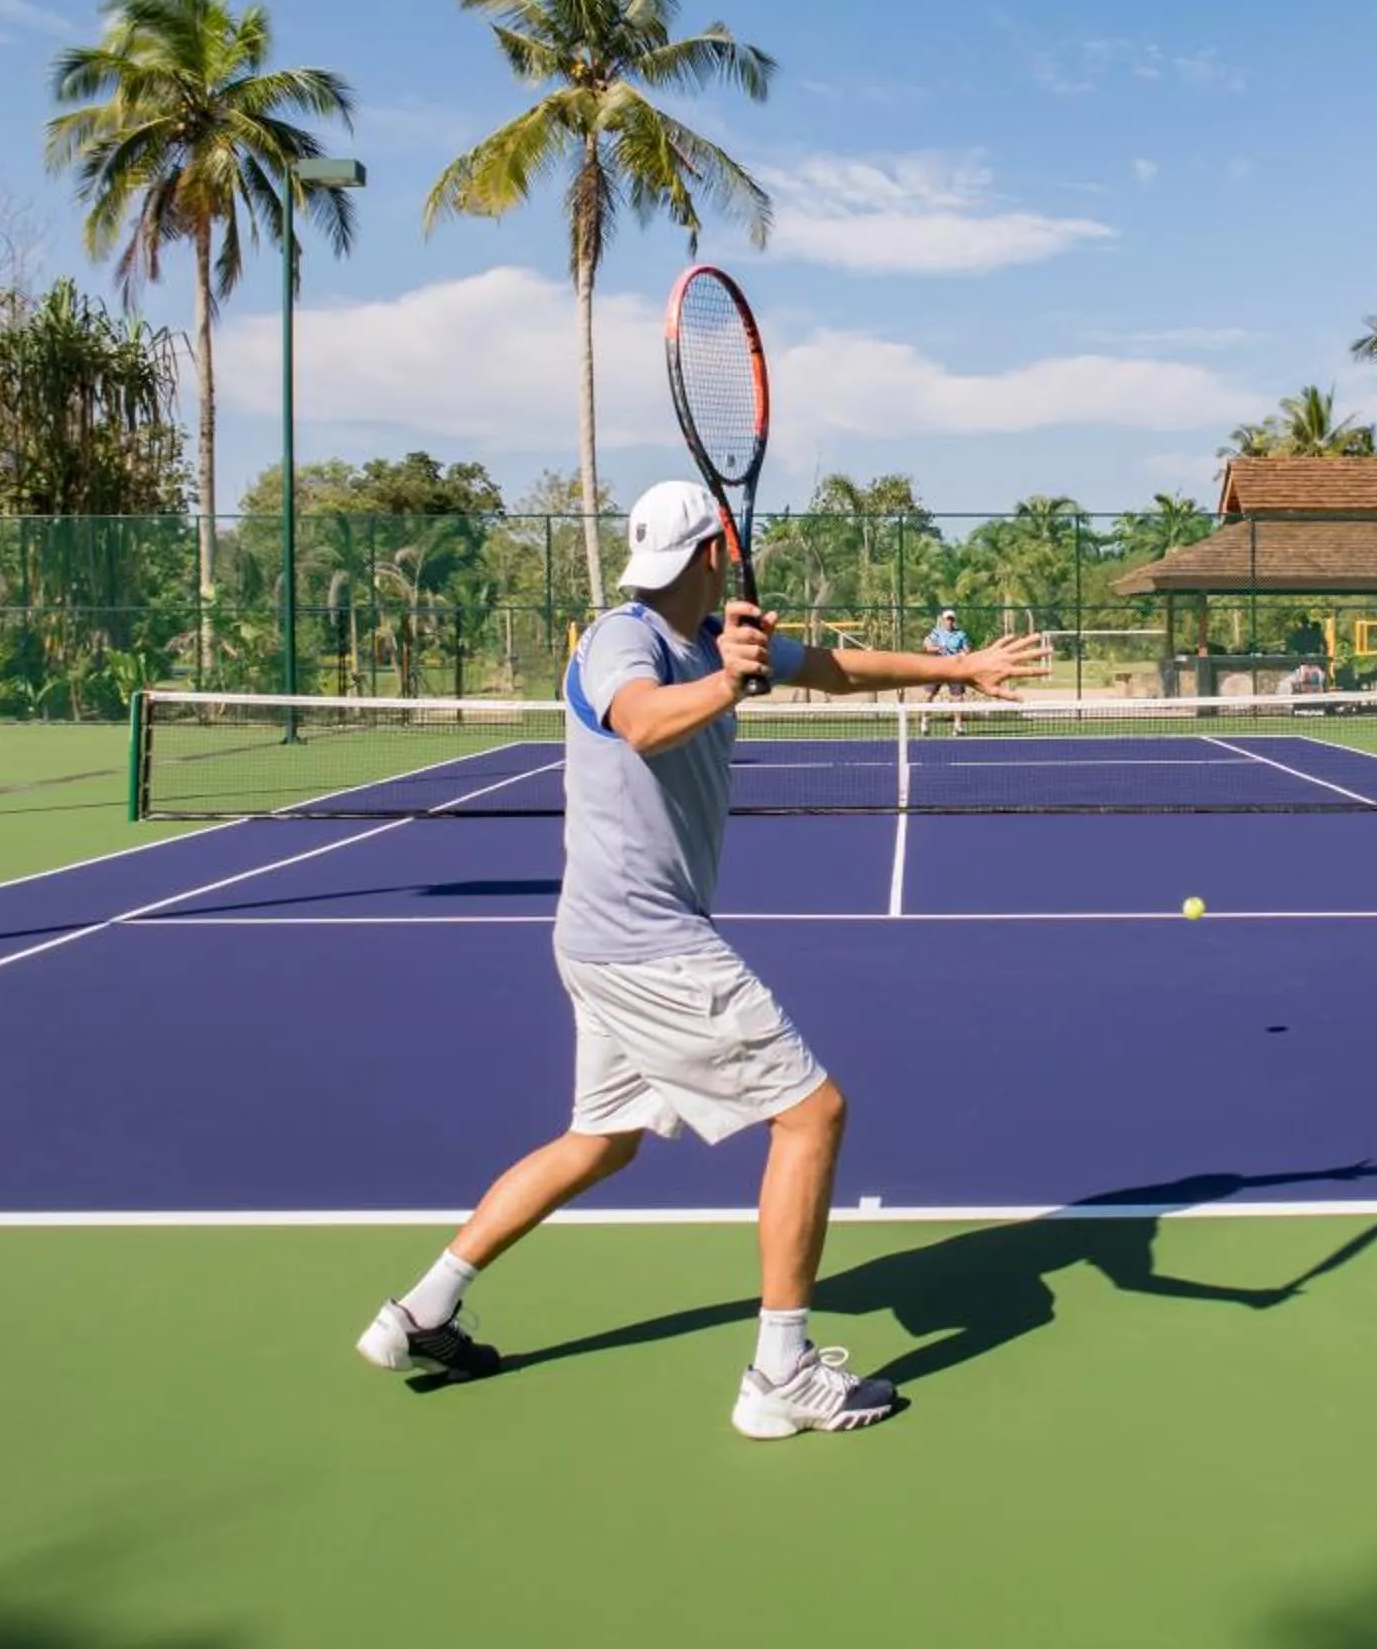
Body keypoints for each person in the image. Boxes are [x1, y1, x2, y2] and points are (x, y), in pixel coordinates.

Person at [356, 480, 1049, 1438]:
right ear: (716, 551)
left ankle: (422, 1309)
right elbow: (639, 721)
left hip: (604, 938)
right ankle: (779, 1377)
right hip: (646, 941)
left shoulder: (720, 630)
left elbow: (835, 668)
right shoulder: (620, 641)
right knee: (813, 1115)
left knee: (601, 1140)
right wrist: (729, 682)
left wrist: (959, 667)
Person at [921, 606, 972, 733]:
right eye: (947, 619)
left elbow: (967, 649)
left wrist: (963, 654)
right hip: (938, 666)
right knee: (928, 695)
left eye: (952, 619)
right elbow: (927, 647)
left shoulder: (961, 634)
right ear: (943, 620)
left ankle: (958, 725)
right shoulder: (936, 632)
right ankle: (925, 721)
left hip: (954, 667)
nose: (949, 621)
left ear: (954, 621)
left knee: (958, 697)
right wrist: (938, 648)